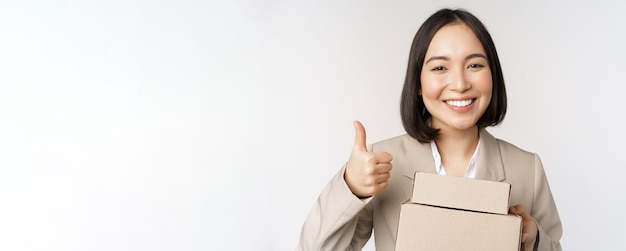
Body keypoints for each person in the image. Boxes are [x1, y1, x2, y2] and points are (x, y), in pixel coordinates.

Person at [297, 8, 562, 251]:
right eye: (440, 68)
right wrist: (350, 187)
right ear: (418, 83)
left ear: (492, 75)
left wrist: (535, 238)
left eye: (474, 65)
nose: (459, 83)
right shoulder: (382, 163)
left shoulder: (528, 169)